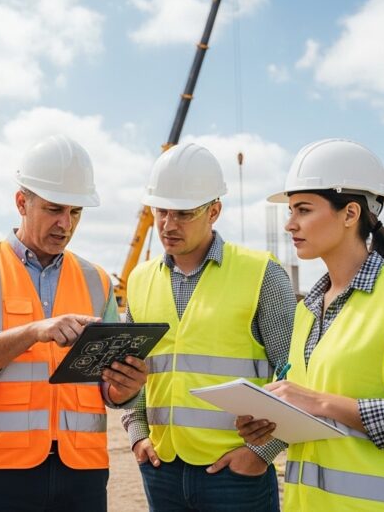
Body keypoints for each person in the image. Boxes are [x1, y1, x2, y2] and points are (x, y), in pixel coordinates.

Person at [237, 138, 384, 511]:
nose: (289, 224)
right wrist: (270, 427)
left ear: (350, 214)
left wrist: (319, 402)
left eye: (304, 209)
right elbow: (315, 419)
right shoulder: (307, 310)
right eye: (291, 210)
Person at [0, 135, 148, 512]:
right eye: (53, 209)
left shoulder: (96, 279)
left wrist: (125, 389)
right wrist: (36, 331)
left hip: (81, 471)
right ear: (22, 202)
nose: (65, 224)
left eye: (76, 212)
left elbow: (107, 389)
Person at [121, 142, 296, 512]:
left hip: (236, 474)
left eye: (183, 213)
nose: (168, 225)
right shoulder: (138, 280)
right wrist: (138, 436)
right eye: (161, 211)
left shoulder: (261, 274)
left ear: (214, 211)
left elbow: (296, 376)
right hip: (161, 468)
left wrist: (260, 454)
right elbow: (132, 371)